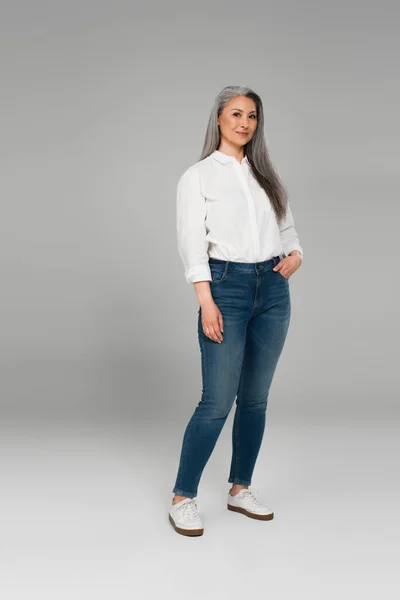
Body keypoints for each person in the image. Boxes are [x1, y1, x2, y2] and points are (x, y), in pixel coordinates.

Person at [168, 85, 303, 537]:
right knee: (217, 401)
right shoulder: (198, 176)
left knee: (256, 398)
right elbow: (192, 244)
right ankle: (183, 497)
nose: (244, 123)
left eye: (252, 116)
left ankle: (239, 488)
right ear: (220, 119)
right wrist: (206, 300)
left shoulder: (266, 173)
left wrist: (295, 254)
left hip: (273, 289)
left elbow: (286, 226)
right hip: (225, 287)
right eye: (236, 114)